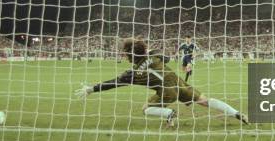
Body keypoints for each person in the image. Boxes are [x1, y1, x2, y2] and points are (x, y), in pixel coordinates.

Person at [75, 38, 248, 127]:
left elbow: (113, 83)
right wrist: (150, 51)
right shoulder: (155, 54)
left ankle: (168, 114)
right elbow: (167, 57)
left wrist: (92, 89)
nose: (123, 55)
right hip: (178, 82)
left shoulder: (133, 73)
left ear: (130, 54)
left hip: (166, 92)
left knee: (145, 109)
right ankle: (236, 113)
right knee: (204, 101)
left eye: (125, 53)